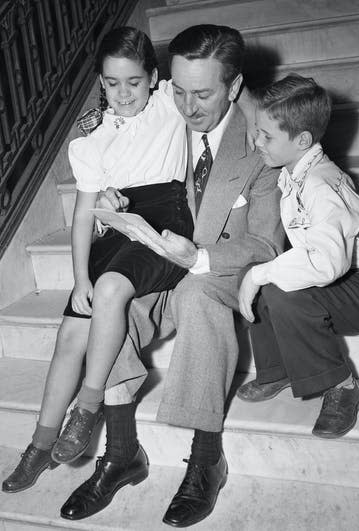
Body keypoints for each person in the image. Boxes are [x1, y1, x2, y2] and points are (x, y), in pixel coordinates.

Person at [57, 24, 284, 527]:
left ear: (236, 86)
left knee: (200, 295)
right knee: (110, 306)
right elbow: (117, 120)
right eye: (178, 91)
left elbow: (267, 243)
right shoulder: (161, 116)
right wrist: (113, 200)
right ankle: (121, 454)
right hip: (158, 264)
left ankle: (206, 459)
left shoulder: (261, 145)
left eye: (203, 93)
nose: (188, 105)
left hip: (213, 271)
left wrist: (199, 259)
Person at [2, 26, 193, 492]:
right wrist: (78, 278)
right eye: (112, 83)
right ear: (100, 83)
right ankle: (40, 446)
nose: (123, 93)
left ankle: (86, 409)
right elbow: (86, 213)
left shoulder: (170, 102)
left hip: (163, 223)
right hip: (116, 224)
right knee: (71, 330)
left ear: (153, 77)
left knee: (111, 289)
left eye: (134, 81)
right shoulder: (90, 140)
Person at [236, 73, 359, 438]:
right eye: (257, 131)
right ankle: (277, 370)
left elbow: (325, 264)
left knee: (273, 285)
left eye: (266, 135)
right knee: (254, 271)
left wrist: (262, 275)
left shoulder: (320, 184)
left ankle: (341, 385)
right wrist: (257, 272)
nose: (257, 140)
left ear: (302, 140)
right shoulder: (294, 171)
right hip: (340, 282)